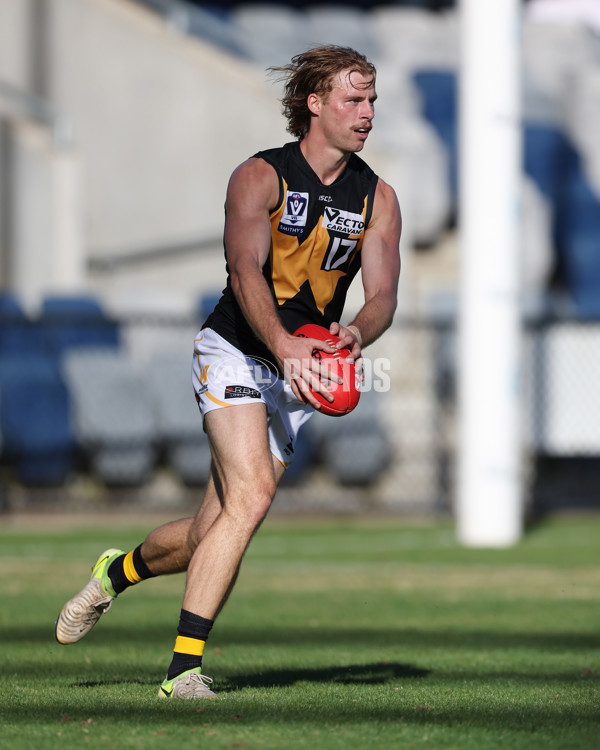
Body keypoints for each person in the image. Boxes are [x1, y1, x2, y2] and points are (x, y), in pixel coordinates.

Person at [54, 45, 402, 700]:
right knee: (252, 498)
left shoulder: (378, 198)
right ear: (315, 103)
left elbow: (383, 294)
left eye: (373, 100)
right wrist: (281, 343)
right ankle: (183, 670)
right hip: (237, 349)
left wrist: (355, 331)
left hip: (297, 377)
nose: (367, 112)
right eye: (354, 99)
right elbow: (245, 271)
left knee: (207, 534)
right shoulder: (260, 177)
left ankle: (115, 572)